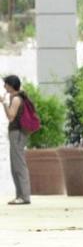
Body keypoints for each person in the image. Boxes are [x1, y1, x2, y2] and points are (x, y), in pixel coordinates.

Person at [3, 75, 31, 205]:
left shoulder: (15, 99)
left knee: (19, 164)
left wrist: (4, 104)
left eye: (6, 84)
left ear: (11, 85)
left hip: (17, 133)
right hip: (17, 133)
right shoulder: (18, 97)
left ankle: (24, 196)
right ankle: (20, 195)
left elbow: (11, 117)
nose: (4, 87)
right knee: (15, 165)